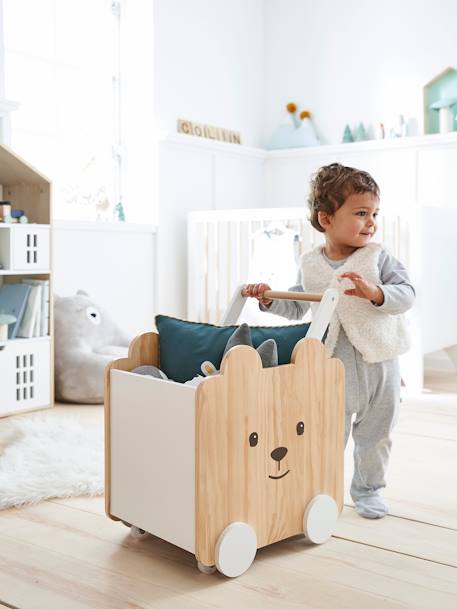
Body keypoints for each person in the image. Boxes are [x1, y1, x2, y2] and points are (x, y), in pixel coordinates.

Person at [244, 163, 415, 519]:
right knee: (325, 433)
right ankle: (319, 488)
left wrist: (376, 293)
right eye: (361, 213)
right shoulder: (310, 264)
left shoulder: (378, 257)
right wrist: (269, 298)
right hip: (332, 364)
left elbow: (407, 293)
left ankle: (368, 490)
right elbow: (297, 304)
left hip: (379, 364)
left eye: (374, 213)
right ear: (326, 219)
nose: (371, 222)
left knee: (376, 435)